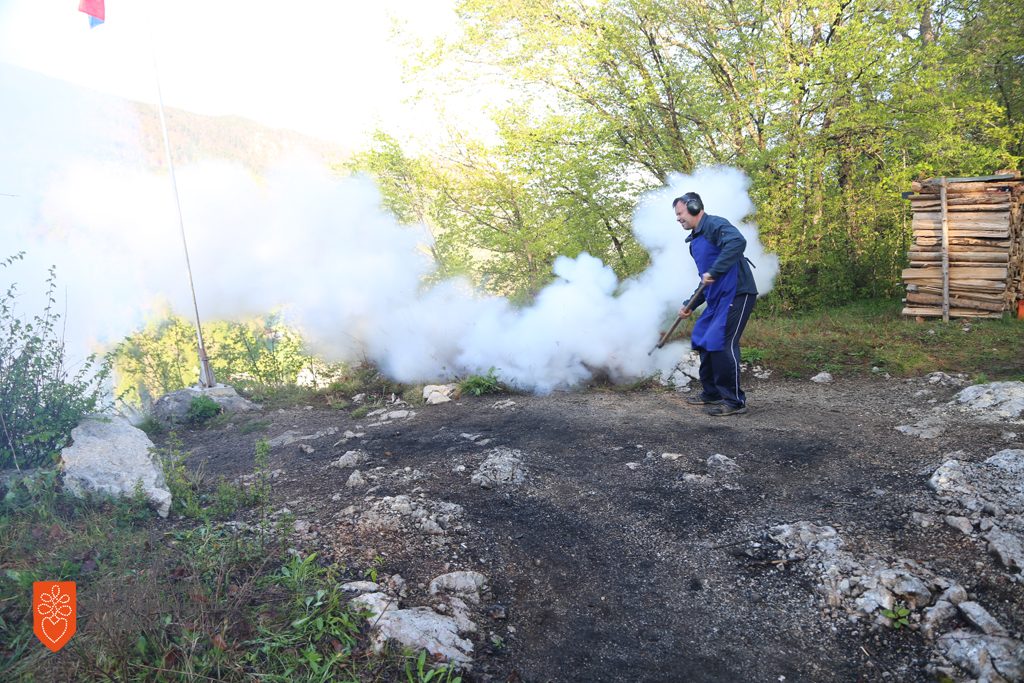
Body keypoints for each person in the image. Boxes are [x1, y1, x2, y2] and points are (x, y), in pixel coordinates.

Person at [674, 192, 758, 416]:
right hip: (716, 299)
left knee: (722, 343)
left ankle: (734, 401)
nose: (678, 218)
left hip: (736, 293)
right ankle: (712, 393)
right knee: (704, 340)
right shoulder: (695, 242)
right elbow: (705, 280)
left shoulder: (714, 224)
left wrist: (715, 270)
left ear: (694, 207)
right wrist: (690, 304)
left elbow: (737, 242)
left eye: (680, 213)